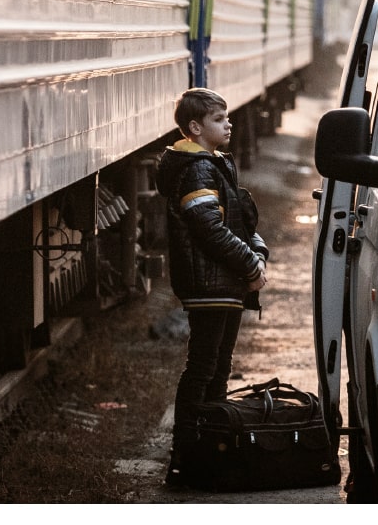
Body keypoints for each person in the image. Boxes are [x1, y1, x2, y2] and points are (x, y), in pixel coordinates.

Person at [154, 88, 268, 487]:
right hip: (210, 283)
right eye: (220, 119)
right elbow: (209, 229)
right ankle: (187, 455)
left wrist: (258, 252)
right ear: (195, 127)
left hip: (223, 282)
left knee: (218, 364)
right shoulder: (197, 168)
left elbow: (238, 220)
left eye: (227, 117)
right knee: (204, 366)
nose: (230, 123)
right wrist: (250, 264)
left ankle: (213, 445)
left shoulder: (214, 163)